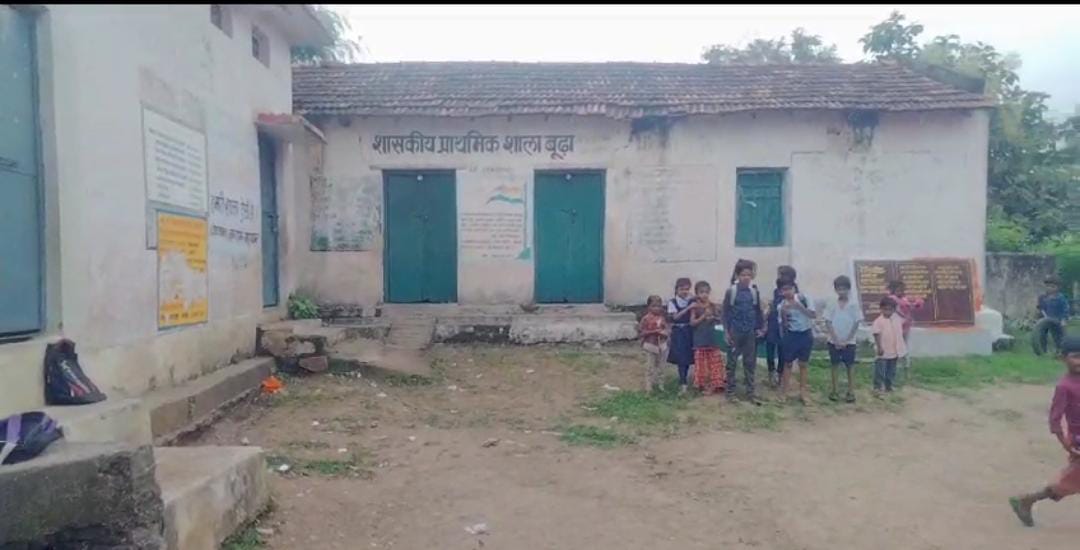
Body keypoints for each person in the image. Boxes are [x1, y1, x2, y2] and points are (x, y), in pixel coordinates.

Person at [1008, 335, 1080, 527]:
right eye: (1075, 356)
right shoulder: (1064, 386)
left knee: (1074, 479)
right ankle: (1026, 500)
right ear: (1062, 358)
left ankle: (1027, 500)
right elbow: (1055, 419)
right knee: (1071, 480)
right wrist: (1066, 444)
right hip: (1078, 439)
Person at [722, 259, 765, 405]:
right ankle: (730, 392)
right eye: (743, 275)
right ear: (737, 276)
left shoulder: (754, 292)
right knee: (732, 362)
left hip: (750, 333)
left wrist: (762, 328)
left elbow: (758, 312)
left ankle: (750, 392)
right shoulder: (731, 292)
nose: (746, 277)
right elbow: (725, 313)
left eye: (748, 274)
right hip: (735, 332)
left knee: (750, 363)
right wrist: (726, 332)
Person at [823, 275, 863, 403]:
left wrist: (847, 340)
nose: (842, 291)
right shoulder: (832, 303)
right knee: (834, 365)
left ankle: (851, 392)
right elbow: (828, 321)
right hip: (833, 341)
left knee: (850, 366)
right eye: (839, 289)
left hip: (849, 342)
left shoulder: (853, 304)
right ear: (836, 290)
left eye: (844, 289)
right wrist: (835, 340)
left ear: (848, 289)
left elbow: (856, 323)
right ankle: (835, 390)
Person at [778, 278, 816, 404]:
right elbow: (783, 325)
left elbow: (813, 315)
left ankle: (803, 393)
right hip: (791, 335)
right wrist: (784, 314)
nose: (787, 292)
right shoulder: (781, 305)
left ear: (794, 288)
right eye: (784, 290)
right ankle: (784, 393)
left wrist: (799, 306)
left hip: (805, 334)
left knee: (803, 364)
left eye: (789, 288)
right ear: (780, 292)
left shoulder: (804, 298)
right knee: (788, 364)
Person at [690, 280, 726, 395]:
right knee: (702, 364)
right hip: (700, 339)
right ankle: (703, 384)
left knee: (714, 362)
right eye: (701, 292)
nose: (704, 294)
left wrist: (715, 318)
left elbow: (720, 320)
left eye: (706, 292)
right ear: (697, 293)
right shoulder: (695, 307)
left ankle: (716, 384)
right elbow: (692, 323)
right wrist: (703, 316)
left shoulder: (713, 306)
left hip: (712, 339)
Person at [765, 266, 798, 387]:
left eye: (780, 274)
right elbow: (773, 306)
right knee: (770, 348)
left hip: (784, 325)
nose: (778, 277)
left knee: (782, 351)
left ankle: (780, 375)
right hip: (773, 322)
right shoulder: (776, 290)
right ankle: (771, 373)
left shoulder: (794, 292)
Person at [887, 280, 924, 379]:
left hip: (905, 327)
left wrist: (915, 304)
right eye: (897, 290)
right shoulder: (891, 299)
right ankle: (893, 371)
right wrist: (906, 312)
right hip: (894, 327)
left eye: (901, 290)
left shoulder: (904, 299)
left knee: (904, 348)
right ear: (893, 290)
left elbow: (911, 306)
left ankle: (906, 371)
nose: (900, 292)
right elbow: (897, 308)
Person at [871, 297, 906, 395]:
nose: (887, 312)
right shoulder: (878, 321)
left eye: (890, 309)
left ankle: (888, 386)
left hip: (894, 350)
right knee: (880, 370)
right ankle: (877, 387)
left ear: (894, 310)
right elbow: (876, 334)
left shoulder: (896, 319)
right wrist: (879, 347)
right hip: (883, 351)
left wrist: (897, 310)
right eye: (885, 309)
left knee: (891, 371)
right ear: (881, 309)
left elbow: (905, 318)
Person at [667, 277, 696, 394]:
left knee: (688, 356)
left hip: (689, 331)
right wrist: (688, 308)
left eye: (687, 289)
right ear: (676, 289)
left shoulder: (691, 300)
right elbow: (675, 317)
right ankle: (682, 382)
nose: (684, 292)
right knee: (681, 357)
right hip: (678, 332)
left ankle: (688, 380)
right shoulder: (673, 302)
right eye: (682, 289)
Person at [639, 295, 670, 393]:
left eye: (659, 306)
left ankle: (661, 385)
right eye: (653, 306)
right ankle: (649, 387)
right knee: (650, 367)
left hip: (662, 345)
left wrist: (664, 333)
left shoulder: (662, 318)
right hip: (650, 346)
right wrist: (653, 332)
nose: (656, 308)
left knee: (661, 367)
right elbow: (641, 333)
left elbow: (667, 330)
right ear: (648, 307)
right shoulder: (645, 319)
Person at [1034, 276, 1070, 356]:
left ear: (1058, 287)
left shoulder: (1061, 298)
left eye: (1052, 287)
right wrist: (1040, 314)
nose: (1050, 288)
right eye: (1048, 286)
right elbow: (1040, 307)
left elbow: (1065, 309)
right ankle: (1042, 350)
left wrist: (1064, 319)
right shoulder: (1042, 297)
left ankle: (1060, 350)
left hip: (1057, 320)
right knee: (1042, 334)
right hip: (1045, 320)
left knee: (1057, 336)